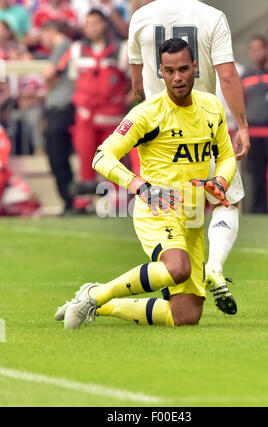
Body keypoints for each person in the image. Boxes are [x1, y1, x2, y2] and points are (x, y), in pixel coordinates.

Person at [57, 38, 237, 330]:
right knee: (176, 268)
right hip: (158, 208)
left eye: (183, 69)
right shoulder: (147, 113)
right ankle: (94, 295)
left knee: (185, 316)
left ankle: (100, 305)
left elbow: (227, 155)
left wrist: (220, 179)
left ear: (195, 68)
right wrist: (140, 186)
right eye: (169, 71)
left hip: (193, 214)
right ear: (161, 73)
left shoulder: (212, 107)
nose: (177, 77)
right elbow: (102, 157)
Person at [128, 0, 250, 313]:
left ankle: (178, 281)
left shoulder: (141, 16)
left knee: (174, 210)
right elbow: (228, 75)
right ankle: (213, 266)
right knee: (227, 202)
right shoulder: (211, 16)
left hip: (159, 133)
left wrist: (145, 125)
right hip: (203, 124)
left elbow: (137, 83)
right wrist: (242, 125)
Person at [56, 8, 131, 199]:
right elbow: (75, 81)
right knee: (85, 161)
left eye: (96, 23)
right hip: (85, 117)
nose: (92, 28)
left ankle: (118, 202)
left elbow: (131, 81)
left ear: (105, 24)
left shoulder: (121, 49)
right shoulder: (76, 49)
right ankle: (84, 202)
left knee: (114, 161)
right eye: (88, 24)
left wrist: (123, 101)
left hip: (112, 117)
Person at [242, 35, 268, 214]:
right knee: (256, 175)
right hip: (254, 133)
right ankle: (259, 211)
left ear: (267, 50)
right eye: (253, 49)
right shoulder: (245, 76)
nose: (257, 52)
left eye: (260, 48)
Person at [40, 20, 75, 216]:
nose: (42, 40)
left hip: (63, 108)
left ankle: (70, 199)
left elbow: (48, 74)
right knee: (56, 158)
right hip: (56, 108)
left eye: (44, 35)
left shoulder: (65, 46)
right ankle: (68, 200)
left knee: (59, 157)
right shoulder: (62, 48)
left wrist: (48, 81)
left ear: (51, 31)